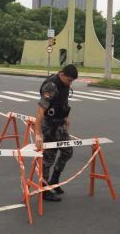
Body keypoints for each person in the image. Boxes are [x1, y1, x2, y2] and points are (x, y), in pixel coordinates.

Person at [35, 64, 78, 202]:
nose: (70, 83)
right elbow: (41, 111)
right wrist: (37, 133)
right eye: (69, 80)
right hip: (49, 125)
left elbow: (62, 101)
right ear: (62, 74)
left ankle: (54, 180)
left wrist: (65, 117)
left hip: (59, 123)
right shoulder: (51, 86)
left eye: (72, 81)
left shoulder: (64, 84)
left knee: (67, 151)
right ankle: (44, 190)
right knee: (48, 158)